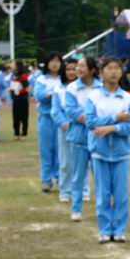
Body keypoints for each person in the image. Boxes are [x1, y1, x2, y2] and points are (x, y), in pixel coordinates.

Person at [86, 57, 130, 243]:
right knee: (103, 194)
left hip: (121, 153)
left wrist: (111, 128)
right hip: (99, 152)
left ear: (121, 72)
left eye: (117, 68)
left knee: (121, 195)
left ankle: (120, 229)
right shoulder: (93, 97)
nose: (113, 72)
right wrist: (115, 117)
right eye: (109, 68)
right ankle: (105, 229)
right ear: (101, 73)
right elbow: (90, 122)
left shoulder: (127, 98)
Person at [64, 57, 98, 222]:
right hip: (79, 136)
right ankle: (76, 209)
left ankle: (102, 208)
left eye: (82, 66)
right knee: (78, 175)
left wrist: (92, 119)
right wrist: (90, 118)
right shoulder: (72, 88)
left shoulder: (101, 87)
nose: (78, 69)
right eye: (78, 66)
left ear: (92, 70)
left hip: (98, 136)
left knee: (100, 176)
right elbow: (71, 111)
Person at [34, 53, 63, 191]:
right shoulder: (41, 79)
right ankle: (46, 179)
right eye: (52, 61)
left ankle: (60, 177)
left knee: (60, 150)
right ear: (46, 63)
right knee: (46, 149)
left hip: (61, 119)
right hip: (46, 118)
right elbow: (39, 95)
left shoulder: (64, 79)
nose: (55, 64)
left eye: (57, 61)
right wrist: (52, 94)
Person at [53, 59, 77, 201]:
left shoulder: (83, 88)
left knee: (81, 161)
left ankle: (82, 189)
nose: (71, 72)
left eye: (74, 69)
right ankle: (65, 190)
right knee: (65, 161)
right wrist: (64, 123)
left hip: (81, 127)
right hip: (64, 128)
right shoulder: (59, 88)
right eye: (68, 69)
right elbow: (55, 110)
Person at [10, 61, 30, 141]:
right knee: (15, 117)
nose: (12, 65)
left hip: (23, 99)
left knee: (24, 117)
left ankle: (24, 133)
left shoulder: (23, 76)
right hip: (15, 99)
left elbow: (27, 88)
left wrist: (19, 90)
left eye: (13, 64)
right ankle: (16, 133)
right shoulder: (13, 75)